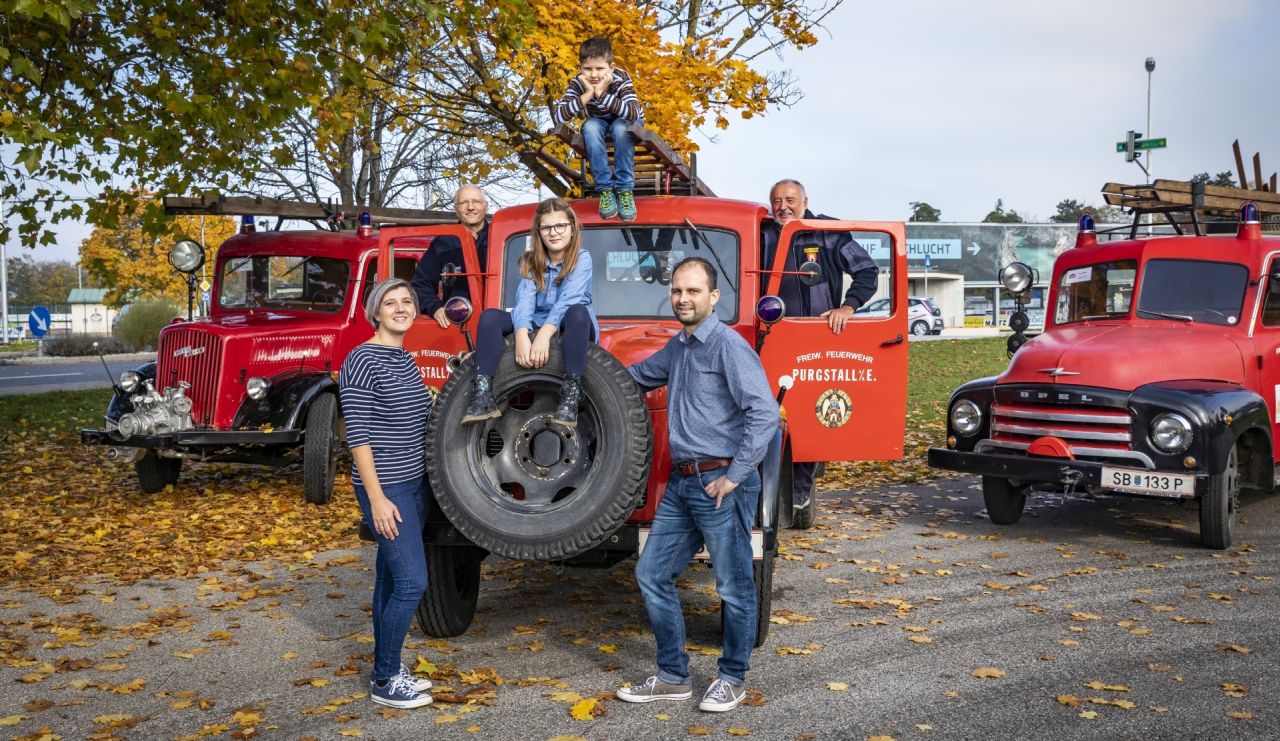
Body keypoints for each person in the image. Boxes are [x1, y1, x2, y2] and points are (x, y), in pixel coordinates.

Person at [617, 257, 779, 713]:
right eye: (677, 291)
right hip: (683, 482)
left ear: (713, 296)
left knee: (733, 586)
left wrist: (735, 475)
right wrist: (577, 374)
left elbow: (764, 413)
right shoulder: (680, 346)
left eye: (693, 291)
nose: (683, 299)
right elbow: (635, 377)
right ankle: (673, 676)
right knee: (651, 574)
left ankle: (732, 678)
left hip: (721, 483)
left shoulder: (728, 346)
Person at [338, 278, 435, 710]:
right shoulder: (361, 360)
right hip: (387, 488)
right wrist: (376, 499)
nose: (400, 308)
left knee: (390, 580)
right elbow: (358, 436)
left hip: (414, 485)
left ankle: (390, 667)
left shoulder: (403, 357)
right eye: (390, 303)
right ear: (375, 312)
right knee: (413, 582)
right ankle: (385, 679)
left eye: (407, 302)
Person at [761, 178, 879, 510]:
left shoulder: (828, 232)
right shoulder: (762, 233)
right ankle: (760, 489)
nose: (783, 207)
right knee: (766, 410)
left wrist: (847, 308)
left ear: (805, 202)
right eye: (777, 201)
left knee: (809, 413)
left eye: (790, 200)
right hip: (770, 337)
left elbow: (867, 271)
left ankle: (800, 492)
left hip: (814, 339)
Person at [462, 197, 598, 427]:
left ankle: (571, 395)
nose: (554, 233)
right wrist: (522, 334)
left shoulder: (582, 258)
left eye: (560, 226)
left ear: (572, 229)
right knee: (490, 317)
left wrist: (544, 335)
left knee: (577, 311)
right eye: (546, 227)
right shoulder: (531, 261)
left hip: (572, 325)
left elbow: (569, 299)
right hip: (535, 320)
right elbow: (524, 301)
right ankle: (482, 395)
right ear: (539, 232)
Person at [552, 37, 644, 222]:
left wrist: (601, 93)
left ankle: (624, 189)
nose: (594, 75)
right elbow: (559, 117)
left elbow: (633, 113)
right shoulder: (578, 83)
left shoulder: (621, 79)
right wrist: (588, 94)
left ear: (611, 67)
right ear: (580, 67)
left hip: (625, 120)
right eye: (588, 69)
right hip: (599, 121)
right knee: (590, 127)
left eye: (600, 69)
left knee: (620, 128)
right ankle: (605, 189)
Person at [411, 185, 490, 327]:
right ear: (456, 209)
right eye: (464, 202)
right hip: (457, 324)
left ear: (486, 206)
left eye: (476, 201)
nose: (470, 207)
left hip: (497, 323)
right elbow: (420, 284)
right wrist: (435, 308)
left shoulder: (500, 239)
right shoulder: (443, 243)